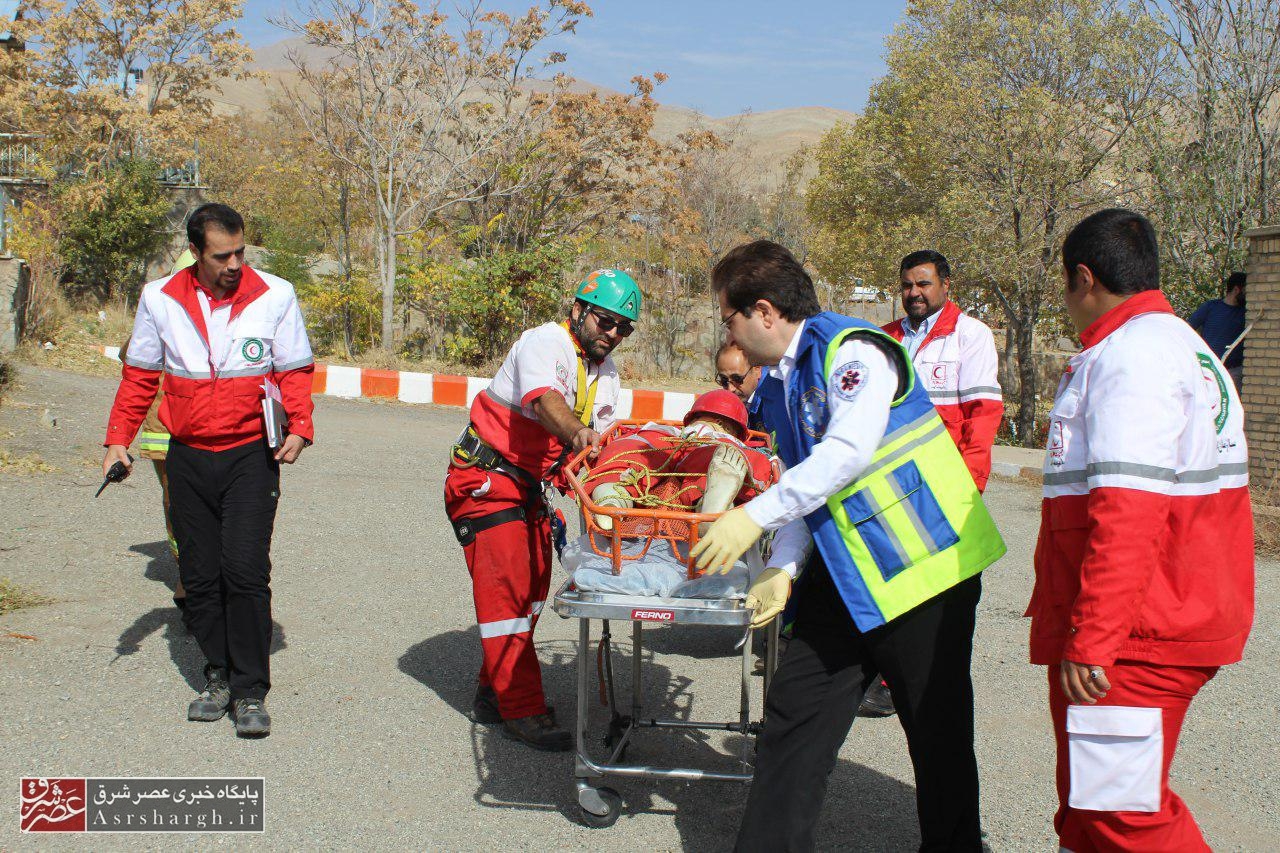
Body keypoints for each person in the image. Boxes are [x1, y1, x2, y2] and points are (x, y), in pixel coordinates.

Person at [692, 239, 1006, 852]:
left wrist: (751, 517)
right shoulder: (778, 384)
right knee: (793, 721)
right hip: (847, 577)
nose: (727, 332)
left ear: (763, 312)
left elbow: (846, 453)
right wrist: (784, 566)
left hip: (921, 576)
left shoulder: (850, 350)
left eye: (728, 317)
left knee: (936, 737)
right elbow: (804, 479)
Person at [1028, 209, 1253, 852]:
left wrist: (1095, 638)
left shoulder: (1133, 357)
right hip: (1153, 615)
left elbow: (1130, 512)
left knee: (1119, 812)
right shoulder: (1178, 344)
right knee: (1085, 805)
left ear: (1083, 278)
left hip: (1140, 630)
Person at [103, 203, 315, 738]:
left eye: (240, 252)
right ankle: (217, 674)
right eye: (222, 256)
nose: (234, 264)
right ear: (195, 253)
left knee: (245, 571)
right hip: (189, 455)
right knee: (199, 576)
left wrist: (300, 425)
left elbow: (294, 369)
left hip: (250, 455)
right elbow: (139, 376)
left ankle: (250, 689)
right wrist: (117, 440)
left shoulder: (276, 294)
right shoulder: (159, 299)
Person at [444, 268, 640, 751]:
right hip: (486, 481)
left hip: (528, 486)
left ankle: (493, 692)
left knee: (532, 594)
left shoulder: (606, 374)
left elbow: (603, 447)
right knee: (508, 598)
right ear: (578, 310)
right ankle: (522, 708)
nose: (612, 333)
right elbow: (545, 401)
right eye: (605, 320)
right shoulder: (545, 342)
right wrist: (578, 435)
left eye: (623, 327)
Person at [864, 250, 1003, 718]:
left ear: (945, 284)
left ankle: (915, 685)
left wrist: (967, 490)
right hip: (891, 484)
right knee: (894, 582)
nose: (914, 293)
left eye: (923, 284)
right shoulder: (884, 338)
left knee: (939, 593)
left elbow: (982, 419)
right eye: (907, 285)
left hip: (944, 487)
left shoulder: (971, 336)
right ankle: (885, 675)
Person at [124, 248, 198, 611]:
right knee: (176, 502)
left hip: (206, 426)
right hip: (164, 429)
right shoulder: (162, 310)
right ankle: (186, 573)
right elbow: (130, 357)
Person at [586, 389, 772, 530]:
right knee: (717, 466)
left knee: (633, 450)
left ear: (693, 417)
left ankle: (613, 495)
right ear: (729, 427)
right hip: (715, 447)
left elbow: (620, 444)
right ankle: (708, 507)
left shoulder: (663, 430)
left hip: (670, 440)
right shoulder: (729, 441)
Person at [1189, 271, 1246, 390]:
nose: (1247, 295)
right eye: (1245, 290)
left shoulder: (1245, 312)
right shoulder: (1211, 307)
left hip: (1234, 372)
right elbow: (1188, 328)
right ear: (1236, 290)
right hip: (1209, 370)